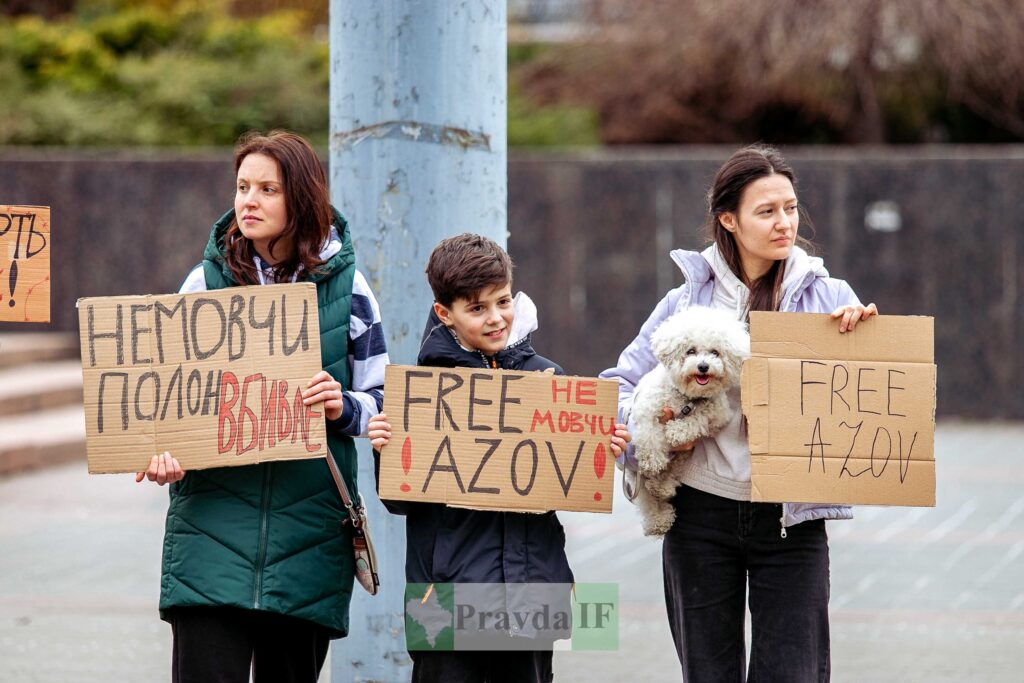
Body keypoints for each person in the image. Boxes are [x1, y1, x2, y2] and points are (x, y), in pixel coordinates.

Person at [601, 144, 878, 682]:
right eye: (767, 211)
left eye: (791, 208)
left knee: (794, 673)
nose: (785, 223)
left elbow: (870, 395)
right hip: (699, 516)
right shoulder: (683, 303)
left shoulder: (830, 296)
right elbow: (618, 386)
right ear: (728, 219)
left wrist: (866, 338)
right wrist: (649, 436)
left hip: (790, 521)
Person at [135, 130, 388, 683]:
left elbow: (383, 402)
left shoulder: (351, 289)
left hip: (310, 537)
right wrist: (162, 451)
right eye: (242, 186)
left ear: (300, 197)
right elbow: (162, 402)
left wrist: (340, 406)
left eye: (267, 189)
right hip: (210, 531)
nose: (248, 201)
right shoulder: (202, 285)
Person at [367, 234, 630, 683]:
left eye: (502, 301)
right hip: (445, 595)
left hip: (532, 591)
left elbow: (565, 483)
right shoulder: (421, 390)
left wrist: (600, 451)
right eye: (477, 308)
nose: (495, 318)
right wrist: (384, 448)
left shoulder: (548, 379)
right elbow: (397, 500)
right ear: (444, 313)